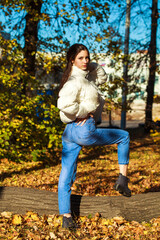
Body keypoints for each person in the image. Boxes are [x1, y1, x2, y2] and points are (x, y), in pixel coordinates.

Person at [57, 43, 131, 229]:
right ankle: (122, 180)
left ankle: (66, 218)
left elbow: (103, 78)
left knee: (66, 174)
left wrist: (92, 65)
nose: (85, 61)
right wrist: (83, 112)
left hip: (69, 133)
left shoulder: (86, 77)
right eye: (81, 58)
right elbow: (63, 106)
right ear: (72, 60)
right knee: (124, 136)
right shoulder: (75, 81)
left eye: (87, 57)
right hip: (83, 131)